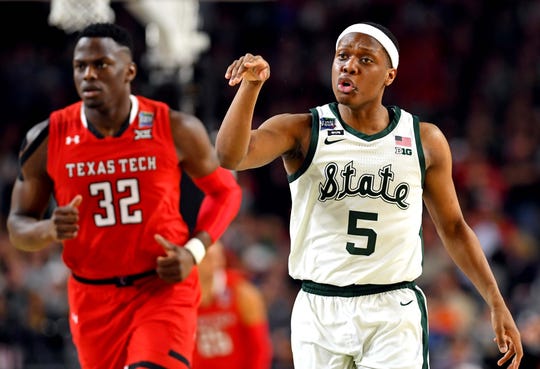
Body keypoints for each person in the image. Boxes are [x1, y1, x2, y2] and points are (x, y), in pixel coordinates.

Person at [215, 22, 523, 369]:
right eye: (342, 56)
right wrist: (251, 88)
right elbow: (230, 156)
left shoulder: (424, 139)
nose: (349, 66)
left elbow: (453, 227)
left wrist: (496, 301)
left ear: (389, 75)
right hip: (319, 306)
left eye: (365, 59)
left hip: (391, 308)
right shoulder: (303, 129)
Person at [7, 22, 242, 369]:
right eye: (80, 66)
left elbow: (226, 192)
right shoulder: (46, 138)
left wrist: (193, 252)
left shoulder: (174, 127)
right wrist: (48, 230)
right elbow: (17, 226)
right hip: (92, 298)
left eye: (101, 64)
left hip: (160, 289)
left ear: (129, 70)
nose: (88, 74)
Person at [192, 240, 273, 369]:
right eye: (207, 257)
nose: (213, 262)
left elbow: (260, 346)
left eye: (216, 257)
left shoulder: (242, 291)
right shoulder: (181, 295)